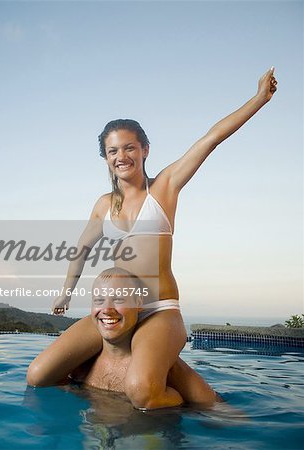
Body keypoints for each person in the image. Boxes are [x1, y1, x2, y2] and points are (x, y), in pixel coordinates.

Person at [27, 68, 277, 409]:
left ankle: (175, 384)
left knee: (143, 393)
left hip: (158, 310)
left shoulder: (165, 187)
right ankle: (124, 370)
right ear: (106, 157)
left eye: (129, 147)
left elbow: (211, 138)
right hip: (115, 310)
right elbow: (82, 249)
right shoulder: (103, 205)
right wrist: (66, 292)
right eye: (113, 151)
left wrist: (259, 98)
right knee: (39, 375)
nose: (121, 157)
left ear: (145, 149)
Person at [68, 267, 218, 407]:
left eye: (119, 299)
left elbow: (220, 414)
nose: (106, 309)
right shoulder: (79, 367)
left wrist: (181, 404)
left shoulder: (161, 372)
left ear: (138, 304)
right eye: (99, 301)